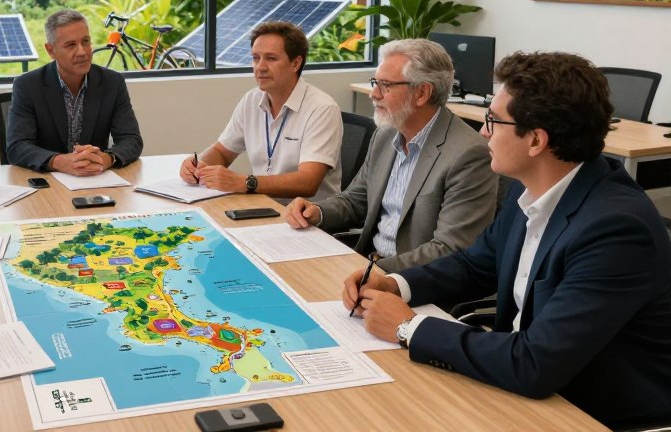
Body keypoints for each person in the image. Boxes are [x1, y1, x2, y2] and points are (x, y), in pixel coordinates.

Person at [346, 51, 671, 431]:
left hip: (588, 412)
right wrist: (396, 284)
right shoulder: (532, 189)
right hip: (525, 386)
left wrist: (409, 328)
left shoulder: (615, 229)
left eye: (493, 121)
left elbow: (537, 362)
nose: (483, 132)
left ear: (535, 140)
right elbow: (474, 264)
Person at [284, 38, 497, 272]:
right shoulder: (385, 135)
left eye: (385, 85)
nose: (374, 94)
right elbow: (357, 200)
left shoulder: (468, 154)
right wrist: (318, 212)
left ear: (422, 93)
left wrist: (372, 271)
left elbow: (449, 249)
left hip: (412, 282)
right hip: (368, 264)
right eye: (375, 82)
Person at [180, 21, 342, 205]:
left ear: (296, 63)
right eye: (256, 58)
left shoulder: (321, 109)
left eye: (271, 59)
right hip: (262, 208)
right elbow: (222, 152)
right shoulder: (252, 100)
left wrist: (245, 183)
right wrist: (199, 165)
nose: (260, 67)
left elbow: (308, 182)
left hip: (307, 220)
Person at [7, 8, 143, 174]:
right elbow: (17, 147)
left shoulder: (112, 82)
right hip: (49, 182)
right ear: (51, 50)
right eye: (71, 45)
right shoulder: (28, 85)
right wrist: (58, 161)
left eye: (85, 42)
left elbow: (132, 140)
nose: (82, 52)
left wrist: (105, 159)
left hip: (95, 180)